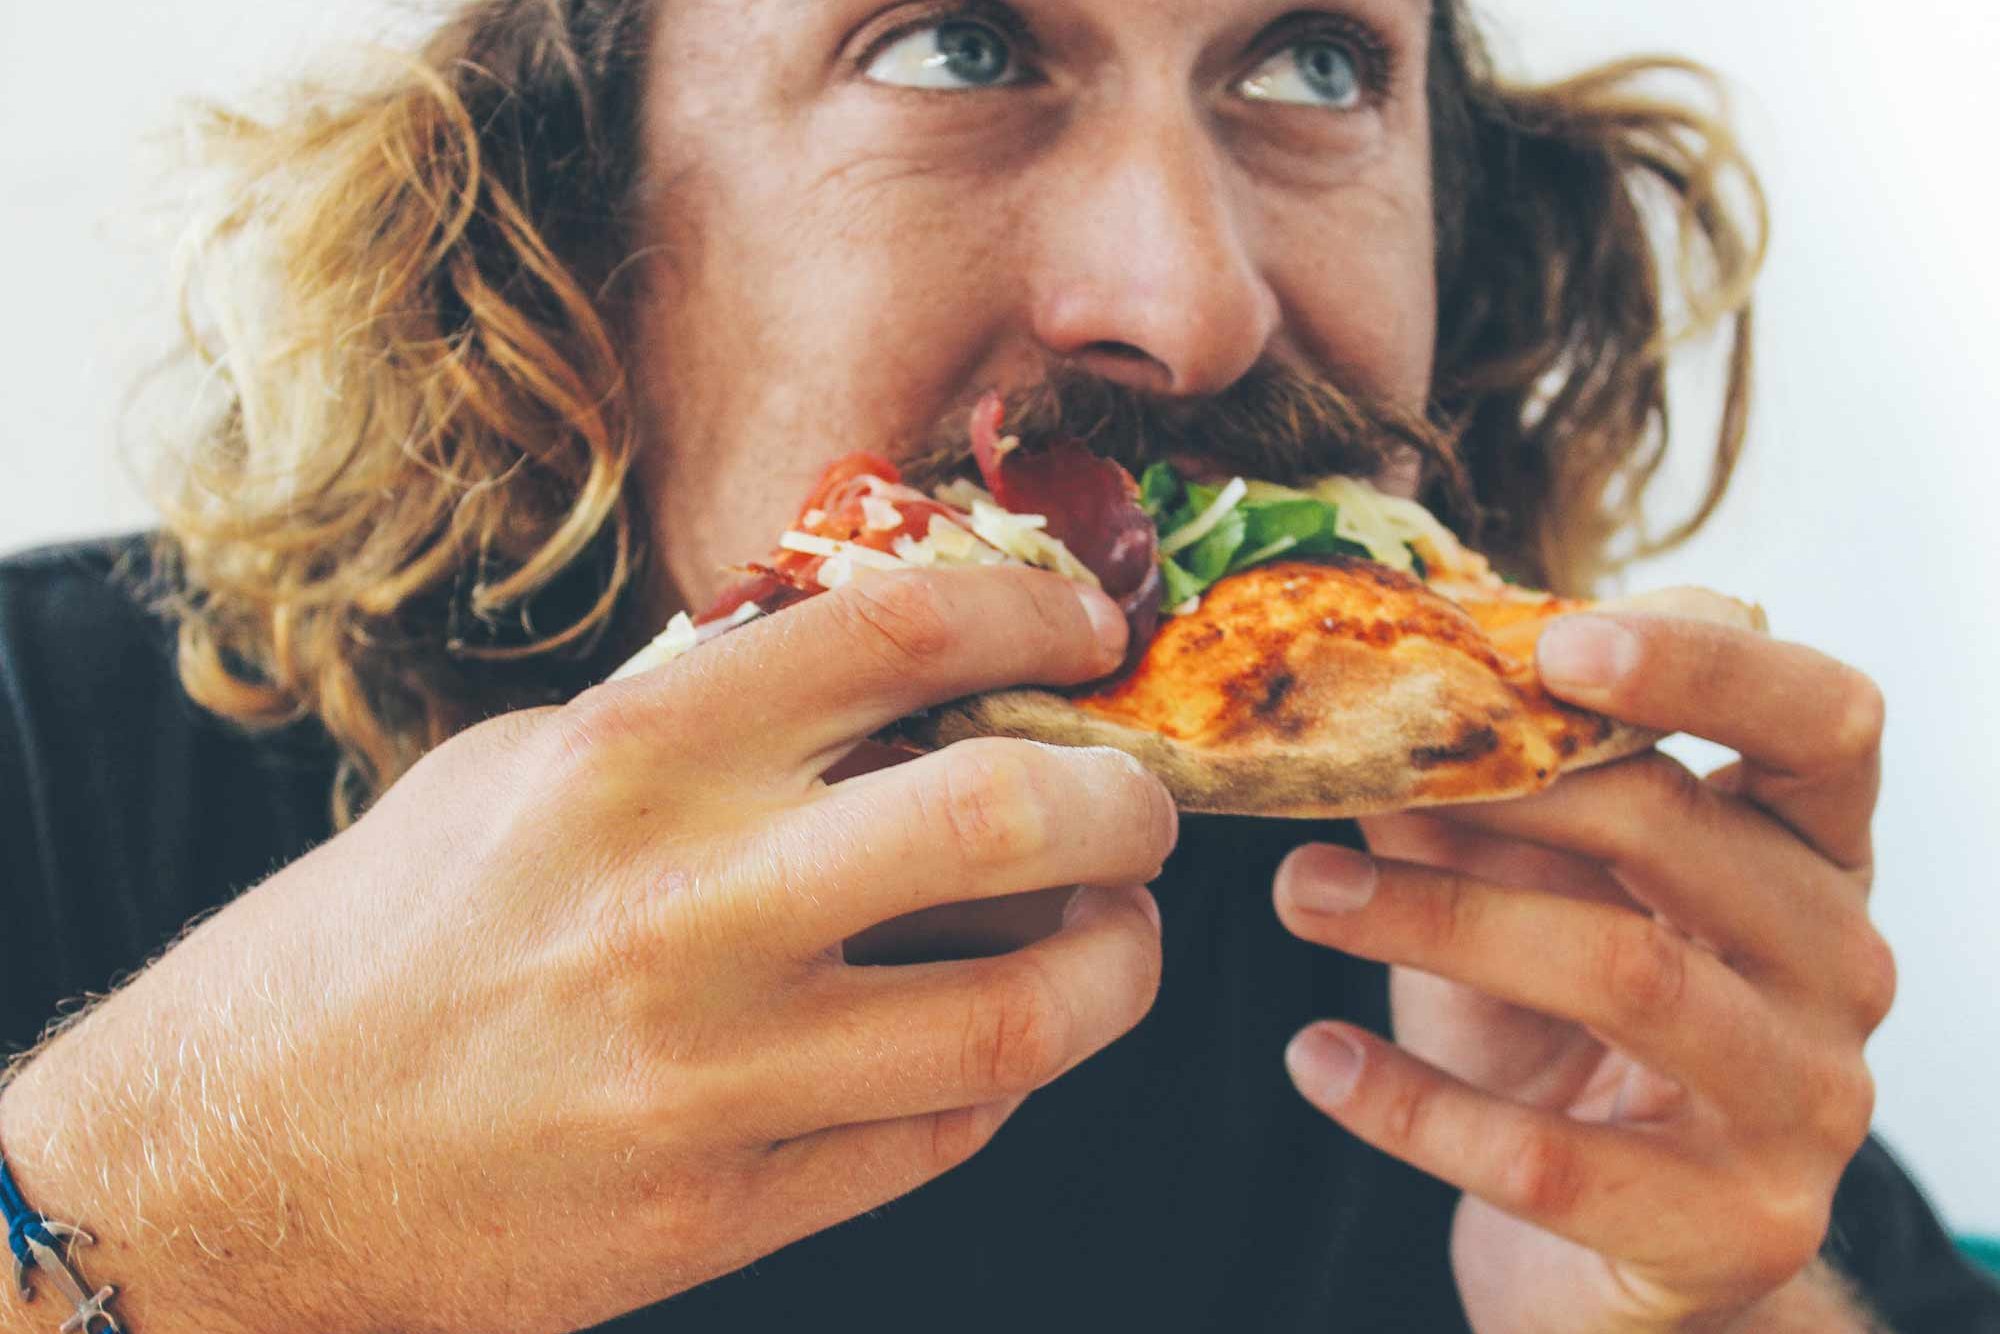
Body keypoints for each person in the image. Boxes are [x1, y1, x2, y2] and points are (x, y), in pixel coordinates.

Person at [1, 1, 1995, 1330]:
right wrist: (188, 1220)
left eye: (1308, 67)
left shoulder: (1526, 962)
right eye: (955, 45)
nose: (1189, 305)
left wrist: (1694, 1307)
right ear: (568, 236)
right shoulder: (42, 747)